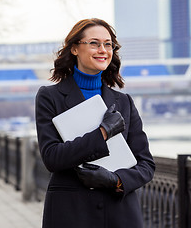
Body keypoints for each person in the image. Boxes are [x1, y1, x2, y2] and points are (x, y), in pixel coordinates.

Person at [35, 18, 155, 228]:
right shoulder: (50, 97)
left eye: (108, 44)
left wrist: (115, 180)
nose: (103, 50)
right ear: (74, 49)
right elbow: (52, 157)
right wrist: (103, 133)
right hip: (71, 214)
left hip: (120, 214)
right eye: (94, 43)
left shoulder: (124, 102)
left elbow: (146, 164)